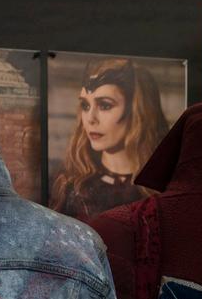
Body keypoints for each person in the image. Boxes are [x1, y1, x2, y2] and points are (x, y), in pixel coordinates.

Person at [50, 57, 169, 222]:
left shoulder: (166, 186)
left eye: (105, 105)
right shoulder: (72, 188)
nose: (90, 119)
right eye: (85, 106)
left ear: (138, 111)